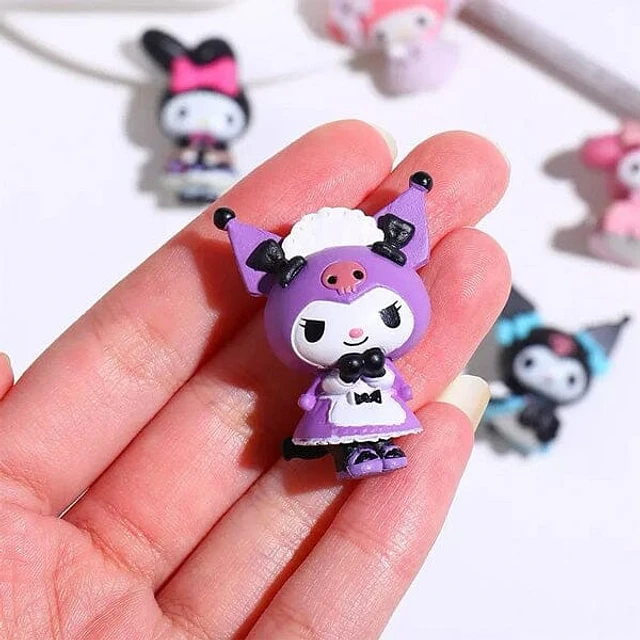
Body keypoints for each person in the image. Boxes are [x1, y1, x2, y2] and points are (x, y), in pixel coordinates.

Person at [0, 121, 509, 639]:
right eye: (318, 328)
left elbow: (385, 385)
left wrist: (393, 388)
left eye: (383, 315)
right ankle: (357, 454)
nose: (355, 331)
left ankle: (378, 450)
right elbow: (312, 392)